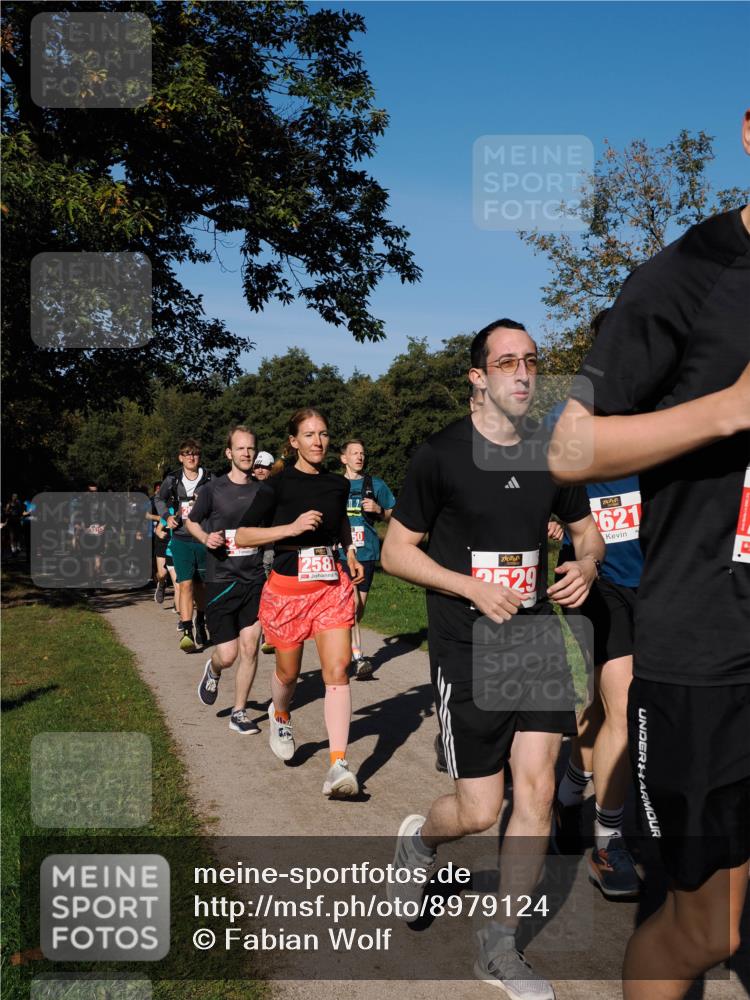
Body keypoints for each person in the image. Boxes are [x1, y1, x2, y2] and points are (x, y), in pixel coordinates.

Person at [550, 110, 750, 999]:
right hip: (713, 647)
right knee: (710, 929)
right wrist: (727, 410)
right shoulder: (687, 276)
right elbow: (566, 448)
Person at [381, 319, 604, 999]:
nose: (524, 373)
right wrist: (468, 585)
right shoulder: (441, 456)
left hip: (534, 640)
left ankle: (498, 946)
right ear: (477, 377)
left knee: (534, 790)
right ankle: (421, 842)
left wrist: (586, 568)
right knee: (481, 810)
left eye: (531, 361)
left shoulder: (548, 453)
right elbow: (395, 553)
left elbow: (587, 536)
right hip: (467, 648)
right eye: (507, 362)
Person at [235, 408, 365, 798]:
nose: (318, 442)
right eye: (309, 435)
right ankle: (280, 715)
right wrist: (290, 529)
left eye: (323, 434)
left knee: (338, 669)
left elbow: (340, 521)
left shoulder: (337, 485)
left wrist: (351, 552)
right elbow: (242, 535)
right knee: (289, 674)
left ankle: (338, 764)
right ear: (293, 441)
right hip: (287, 591)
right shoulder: (277, 485)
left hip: (329, 587)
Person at [187, 426, 266, 735]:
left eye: (251, 449)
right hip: (221, 579)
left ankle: (239, 711)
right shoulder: (213, 489)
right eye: (241, 448)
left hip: (254, 578)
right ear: (229, 453)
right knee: (229, 654)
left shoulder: (263, 491)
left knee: (250, 648)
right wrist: (207, 538)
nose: (246, 453)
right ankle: (214, 668)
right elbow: (191, 521)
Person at [339, 440, 396, 678]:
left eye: (362, 453)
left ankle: (342, 648)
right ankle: (358, 657)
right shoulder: (336, 486)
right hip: (343, 554)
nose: (360, 457)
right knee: (352, 607)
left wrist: (379, 510)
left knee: (358, 610)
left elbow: (395, 514)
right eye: (354, 453)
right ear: (344, 458)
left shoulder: (376, 485)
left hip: (368, 553)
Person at [156, 440, 212, 651]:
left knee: (201, 586)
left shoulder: (209, 478)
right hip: (180, 539)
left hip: (203, 539)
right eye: (187, 454)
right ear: (180, 457)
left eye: (195, 454)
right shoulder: (172, 479)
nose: (191, 457)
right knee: (185, 584)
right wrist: (166, 517)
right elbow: (159, 499)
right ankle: (187, 630)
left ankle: (201, 620)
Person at [253, 450, 277, 653]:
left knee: (270, 586)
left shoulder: (276, 489)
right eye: (257, 466)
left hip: (270, 542)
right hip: (250, 543)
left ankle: (268, 633)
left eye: (264, 467)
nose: (260, 470)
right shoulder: (247, 487)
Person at [147, 481, 169, 604]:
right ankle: (161, 583)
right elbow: (145, 515)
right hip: (160, 535)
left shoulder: (175, 501)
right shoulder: (152, 501)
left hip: (177, 537)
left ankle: (180, 603)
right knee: (162, 573)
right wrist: (160, 518)